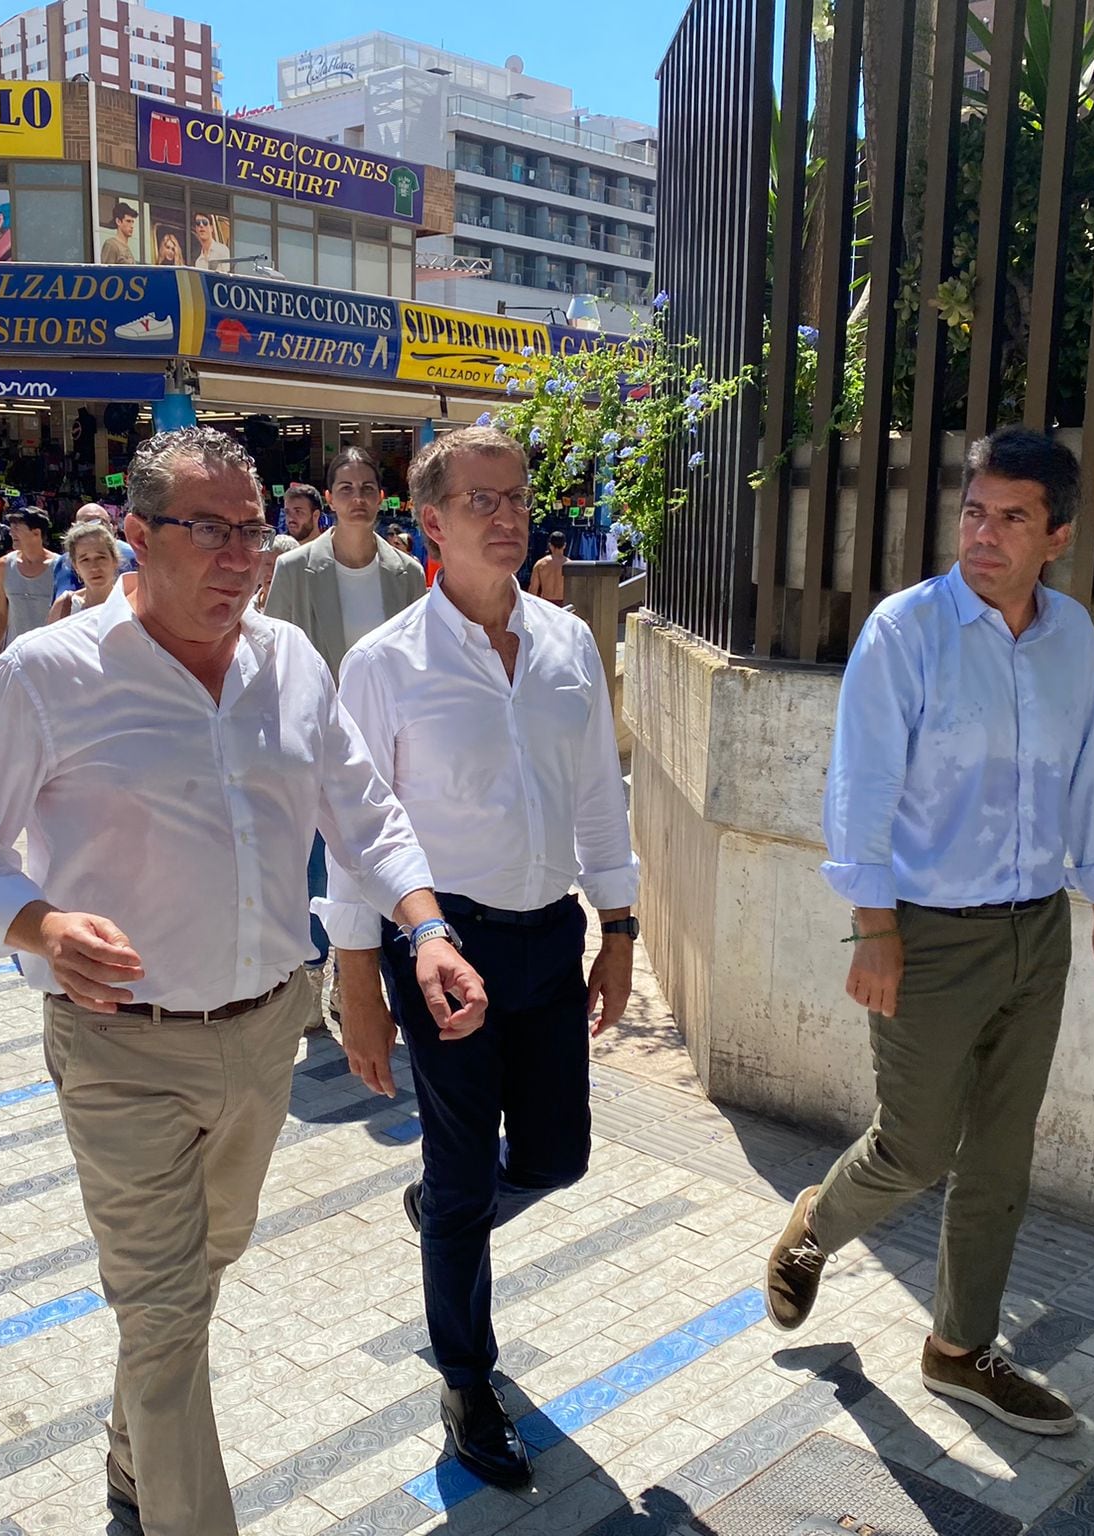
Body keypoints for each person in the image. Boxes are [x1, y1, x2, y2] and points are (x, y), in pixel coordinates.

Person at [0, 425, 487, 1536]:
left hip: (265, 1034)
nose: (240, 555)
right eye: (208, 530)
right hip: (117, 1046)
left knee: (199, 1273)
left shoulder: (287, 663)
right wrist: (35, 920)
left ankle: (133, 1459)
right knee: (167, 1306)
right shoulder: (49, 673)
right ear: (134, 536)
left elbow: (363, 814)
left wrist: (424, 928)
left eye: (254, 531)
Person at [763, 427, 1094, 1436]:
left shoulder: (1068, 637)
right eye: (974, 511)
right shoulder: (905, 632)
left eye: (1011, 517)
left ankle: (958, 1350)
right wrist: (873, 927)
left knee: (1000, 1155)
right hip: (926, 934)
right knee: (917, 1143)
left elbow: (1083, 777)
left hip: (1038, 930)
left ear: (1055, 535)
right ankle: (817, 1222)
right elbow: (859, 791)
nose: (983, 534)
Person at [320, 426, 637, 1491]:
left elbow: (598, 791)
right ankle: (466, 1378)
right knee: (461, 1180)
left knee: (554, 1158)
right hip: (439, 950)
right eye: (482, 501)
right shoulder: (384, 665)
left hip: (550, 936)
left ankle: (444, 1218)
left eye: (517, 499)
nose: (509, 518)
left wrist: (620, 929)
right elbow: (356, 832)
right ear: (433, 520)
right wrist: (355, 980)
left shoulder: (565, 644)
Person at [263, 448, 426, 1015]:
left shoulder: (406, 572)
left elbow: (418, 660)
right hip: (317, 742)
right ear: (328, 499)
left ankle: (371, 982)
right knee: (315, 865)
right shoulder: (295, 569)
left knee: (385, 857)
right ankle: (311, 983)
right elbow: (274, 657)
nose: (358, 497)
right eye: (346, 488)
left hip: (390, 743)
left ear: (383, 499)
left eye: (368, 487)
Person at [0, 507, 57, 655]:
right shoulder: (3, 566)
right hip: (14, 653)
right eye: (11, 527)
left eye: (17, 528)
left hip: (50, 654)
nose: (11, 532)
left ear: (36, 533)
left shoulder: (59, 567)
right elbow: (0, 613)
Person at [50, 501, 138, 600]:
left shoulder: (133, 555)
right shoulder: (63, 562)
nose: (94, 567)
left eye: (100, 523)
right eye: (85, 560)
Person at [47, 521, 124, 623]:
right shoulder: (66, 607)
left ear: (114, 560)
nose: (94, 567)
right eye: (85, 560)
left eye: (101, 557)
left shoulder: (130, 604)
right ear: (76, 566)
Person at [527, 530, 568, 604]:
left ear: (550, 546)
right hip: (564, 605)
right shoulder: (570, 565)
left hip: (546, 604)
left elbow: (533, 590)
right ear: (564, 545)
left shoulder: (540, 564)